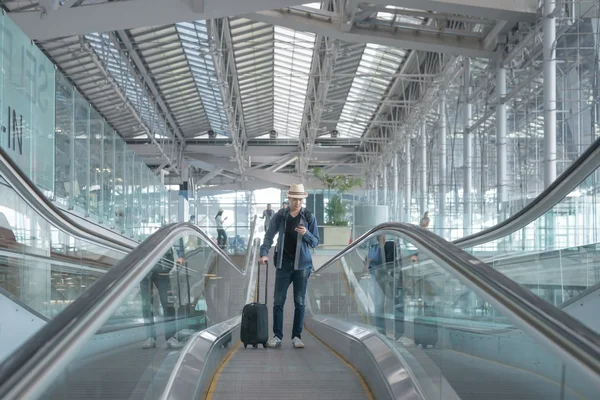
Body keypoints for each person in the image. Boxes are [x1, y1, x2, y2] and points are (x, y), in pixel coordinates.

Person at [259, 183, 319, 349]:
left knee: (299, 302)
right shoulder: (280, 216)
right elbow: (269, 236)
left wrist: (306, 234)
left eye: (300, 199)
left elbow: (316, 242)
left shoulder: (309, 217)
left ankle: (296, 337)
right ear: (289, 198)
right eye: (294, 199)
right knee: (278, 301)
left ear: (302, 200)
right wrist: (264, 253)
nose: (297, 202)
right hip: (283, 264)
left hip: (303, 266)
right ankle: (277, 336)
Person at [141, 247, 184, 349]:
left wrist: (166, 267)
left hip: (161, 270)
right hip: (145, 270)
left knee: (168, 304)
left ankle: (170, 337)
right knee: (147, 305)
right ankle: (150, 337)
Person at [363, 234, 404, 340]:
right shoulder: (374, 248)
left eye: (384, 237)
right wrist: (367, 265)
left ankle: (399, 333)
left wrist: (400, 278)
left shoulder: (392, 246)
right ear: (377, 239)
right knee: (379, 304)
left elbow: (398, 261)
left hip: (392, 278)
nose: (383, 239)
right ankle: (381, 332)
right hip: (379, 279)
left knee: (398, 304)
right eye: (381, 237)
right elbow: (367, 265)